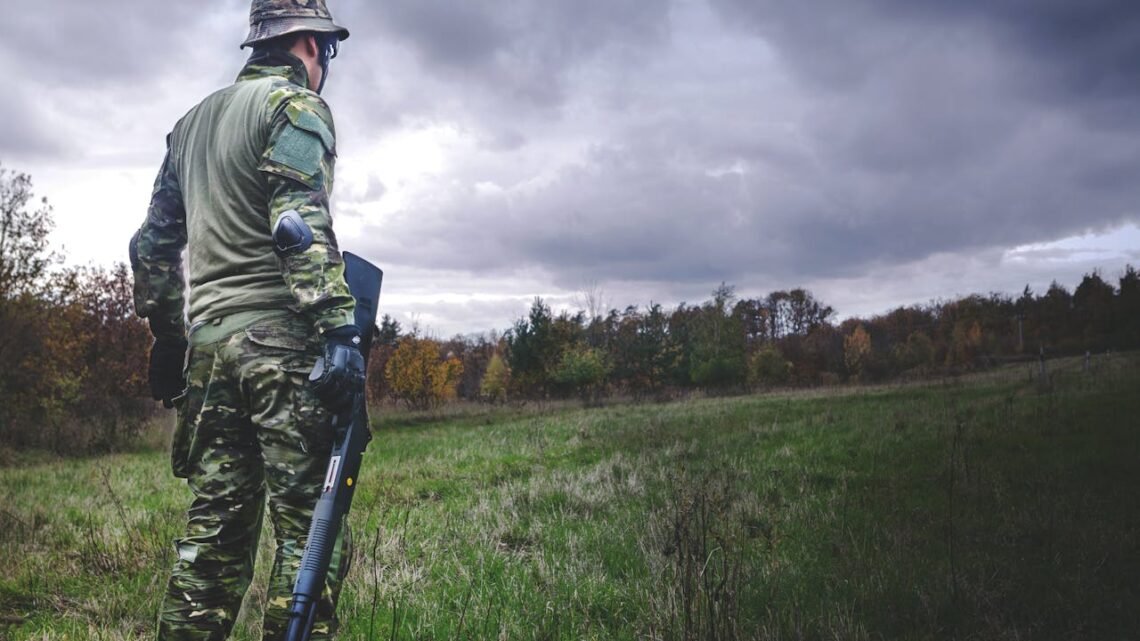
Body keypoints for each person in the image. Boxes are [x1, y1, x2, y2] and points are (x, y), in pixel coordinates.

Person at [128, 1, 363, 638]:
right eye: (327, 52)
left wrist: (169, 336)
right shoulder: (295, 106)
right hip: (281, 347)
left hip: (208, 351)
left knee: (214, 534)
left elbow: (151, 246)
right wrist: (339, 328)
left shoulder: (190, 126)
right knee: (309, 532)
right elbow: (296, 223)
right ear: (310, 44)